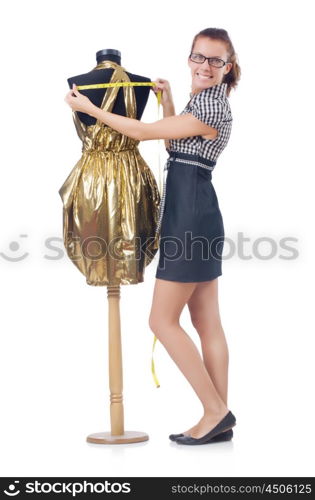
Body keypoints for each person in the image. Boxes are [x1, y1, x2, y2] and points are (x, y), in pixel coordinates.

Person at [65, 27, 241, 445]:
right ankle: (219, 418)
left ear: (228, 67)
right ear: (190, 58)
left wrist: (91, 107)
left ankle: (216, 411)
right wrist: (166, 101)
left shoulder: (213, 106)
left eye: (216, 61)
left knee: (161, 320)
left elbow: (143, 134)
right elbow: (175, 145)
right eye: (199, 57)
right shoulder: (202, 103)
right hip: (198, 212)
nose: (205, 66)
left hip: (190, 218)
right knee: (204, 320)